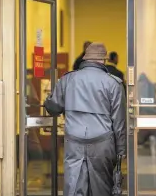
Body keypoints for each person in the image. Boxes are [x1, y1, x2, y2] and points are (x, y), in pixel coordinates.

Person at [44, 42, 127, 196]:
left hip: (74, 141)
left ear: (85, 58)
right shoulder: (114, 83)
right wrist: (121, 151)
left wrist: (48, 100)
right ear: (104, 60)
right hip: (103, 142)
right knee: (101, 187)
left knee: (74, 186)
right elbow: (119, 122)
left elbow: (53, 107)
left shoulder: (67, 80)